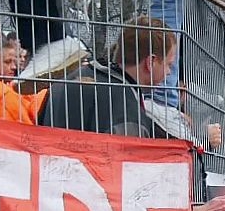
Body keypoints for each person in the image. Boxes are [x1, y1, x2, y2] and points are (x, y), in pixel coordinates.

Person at [41, 16, 183, 138]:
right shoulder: (126, 111)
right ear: (150, 62)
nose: (169, 72)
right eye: (168, 64)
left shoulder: (74, 77)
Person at [0, 37, 47, 124]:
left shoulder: (7, 86)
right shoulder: (1, 92)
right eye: (7, 62)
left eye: (14, 62)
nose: (14, 67)